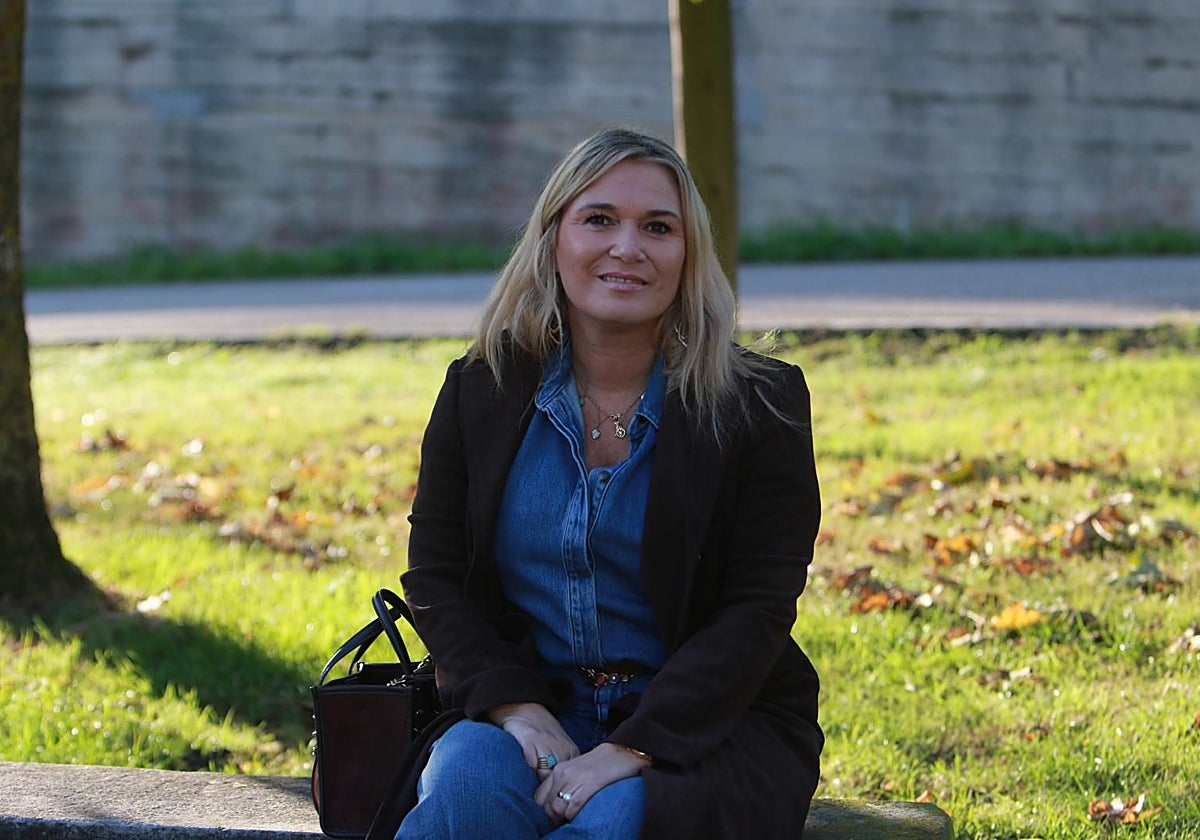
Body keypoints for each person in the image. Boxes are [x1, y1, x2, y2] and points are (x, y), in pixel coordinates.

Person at [377, 127, 823, 840]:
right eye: (598, 219)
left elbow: (757, 609)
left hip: (701, 721)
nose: (627, 247)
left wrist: (626, 750)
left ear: (688, 253)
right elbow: (434, 576)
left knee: (612, 827)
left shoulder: (758, 405)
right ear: (555, 239)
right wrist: (514, 708)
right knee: (462, 799)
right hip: (526, 703)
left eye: (658, 226)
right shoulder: (480, 391)